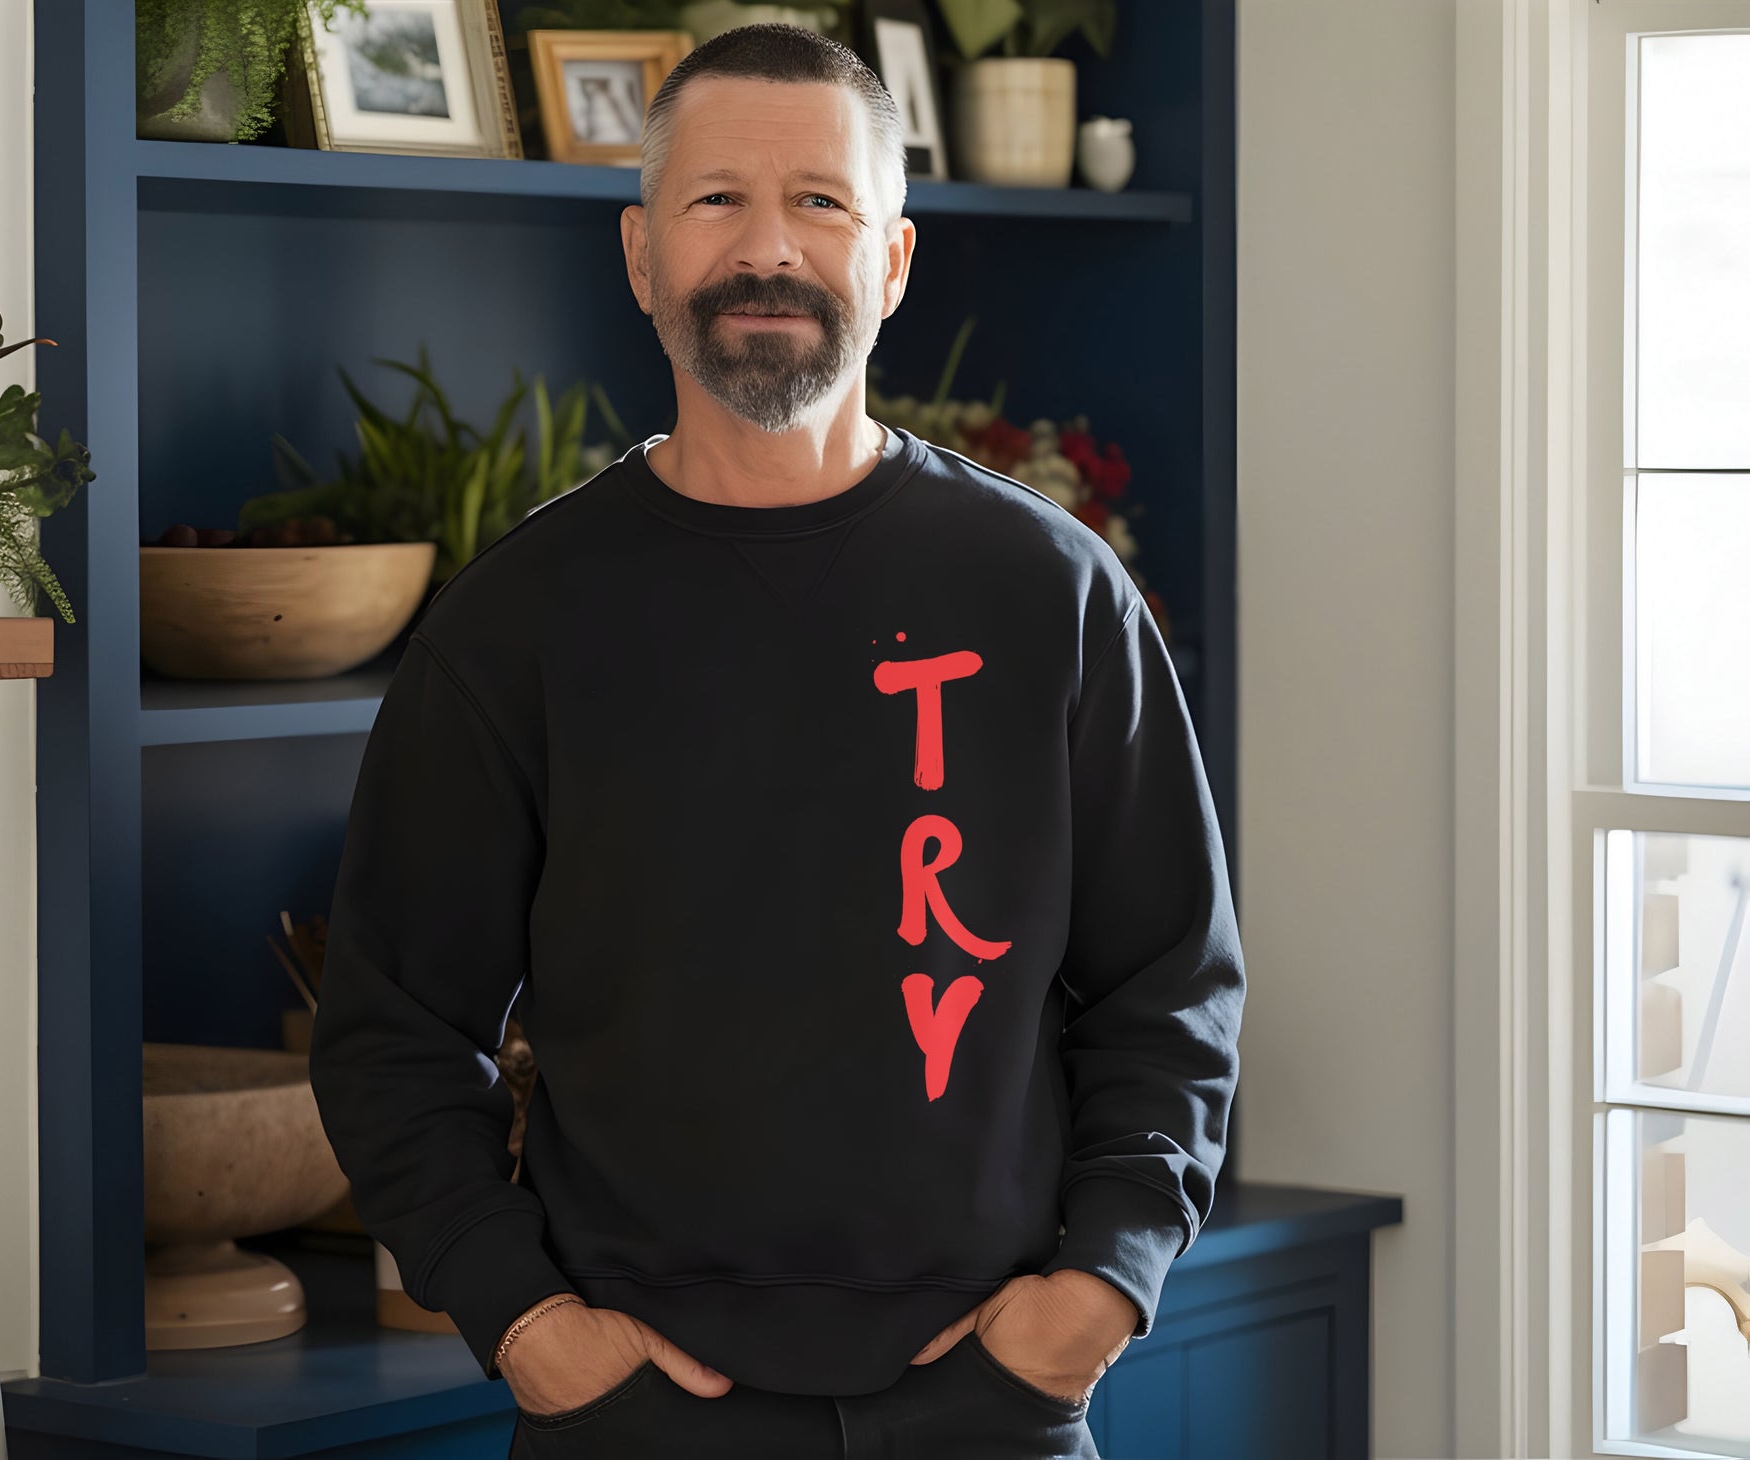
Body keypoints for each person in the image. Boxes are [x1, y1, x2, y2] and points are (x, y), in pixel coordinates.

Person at [307, 22, 1245, 1459]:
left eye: (820, 201)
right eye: (715, 201)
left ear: (892, 260)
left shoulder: (1049, 591)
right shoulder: (520, 618)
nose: (768, 249)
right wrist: (526, 1327)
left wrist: (1097, 1294)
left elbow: (1168, 989)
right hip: (631, 1416)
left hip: (989, 1405)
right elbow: (393, 1030)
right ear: (639, 255)